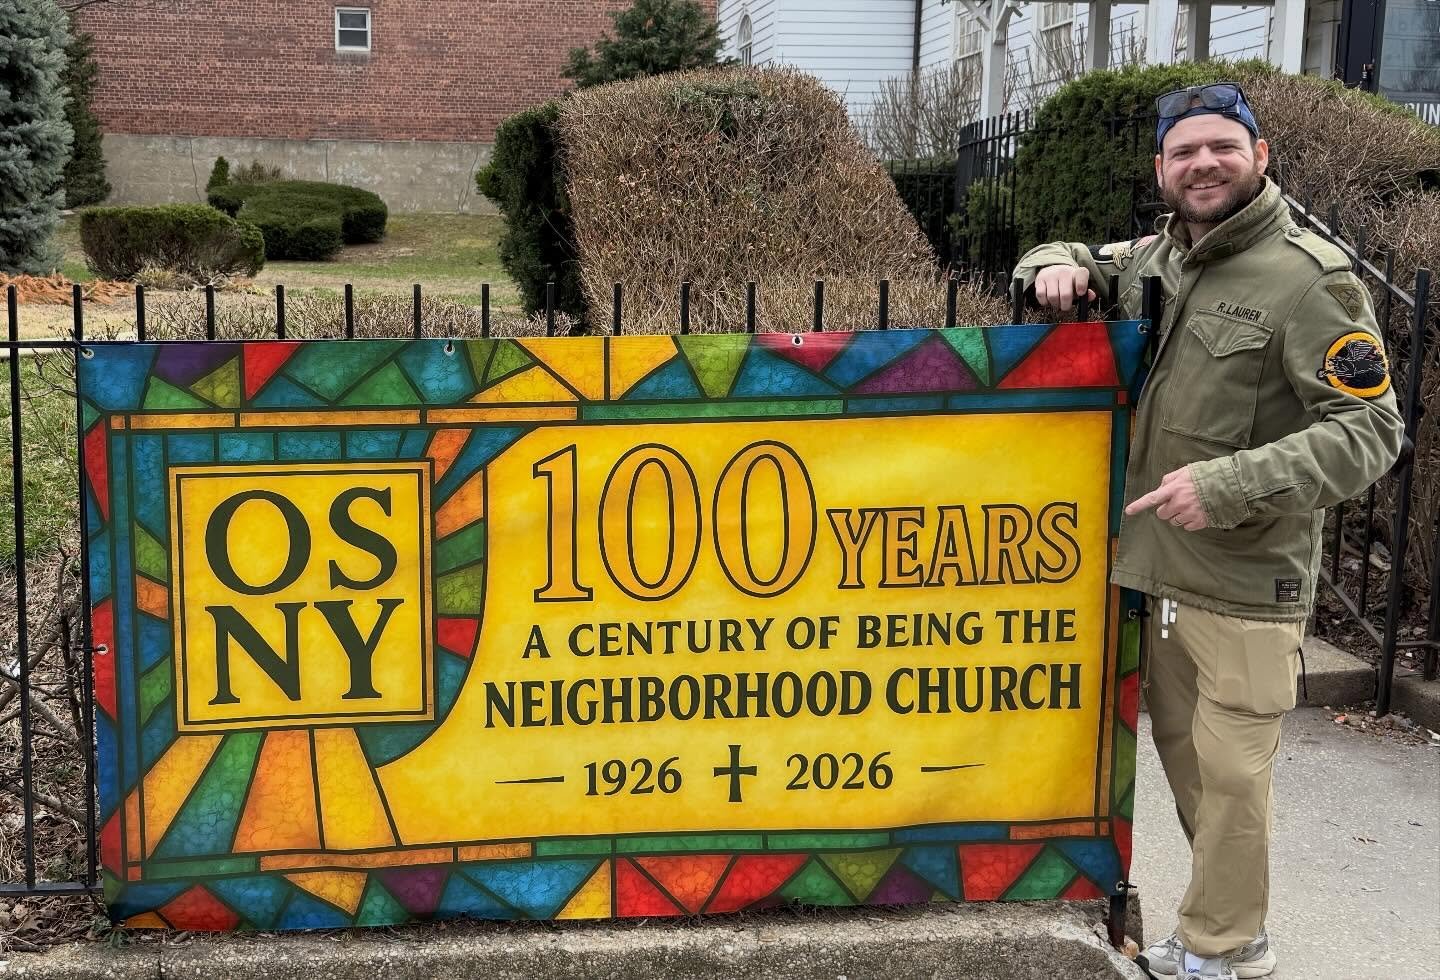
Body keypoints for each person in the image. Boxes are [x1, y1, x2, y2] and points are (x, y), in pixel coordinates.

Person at [1012, 83, 1403, 980]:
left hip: (1243, 579)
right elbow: (1072, 255)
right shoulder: (1159, 260)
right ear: (1162, 168)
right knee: (1195, 775)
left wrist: (1230, 484)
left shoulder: (1312, 278)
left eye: (1223, 146)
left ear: (1260, 157)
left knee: (1230, 783)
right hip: (1160, 574)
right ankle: (1216, 934)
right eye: (1184, 151)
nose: (1204, 164)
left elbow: (1372, 429)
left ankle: (1227, 951)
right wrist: (1051, 265)